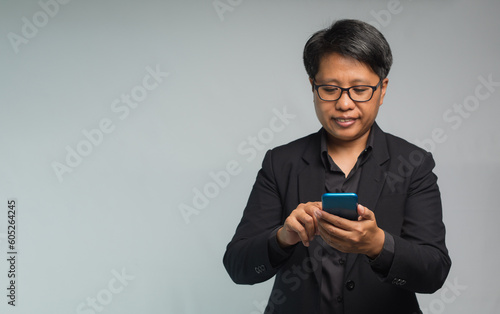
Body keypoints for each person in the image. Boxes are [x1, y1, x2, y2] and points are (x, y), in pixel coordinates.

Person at [223, 19, 451, 314]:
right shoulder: (280, 162)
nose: (344, 104)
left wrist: (377, 245)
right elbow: (238, 266)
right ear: (313, 87)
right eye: (330, 89)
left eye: (360, 89)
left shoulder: (414, 163)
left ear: (382, 90)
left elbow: (434, 271)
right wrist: (283, 237)